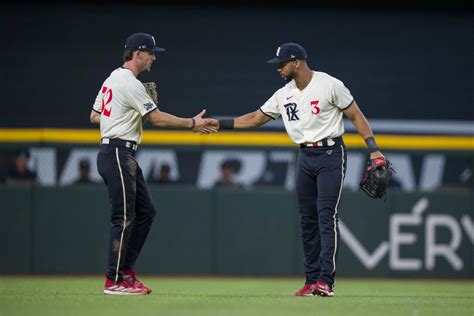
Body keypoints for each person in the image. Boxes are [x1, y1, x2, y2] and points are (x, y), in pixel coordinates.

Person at [210, 43, 386, 297]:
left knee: (326, 215)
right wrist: (219, 123)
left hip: (330, 154)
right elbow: (254, 118)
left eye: (282, 64)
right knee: (307, 220)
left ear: (297, 62)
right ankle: (311, 279)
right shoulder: (284, 94)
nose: (278, 68)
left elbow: (356, 115)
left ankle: (326, 280)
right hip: (305, 155)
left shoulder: (329, 84)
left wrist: (374, 149)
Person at [89, 32, 216, 295]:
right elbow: (157, 119)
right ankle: (114, 280)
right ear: (137, 54)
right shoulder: (129, 82)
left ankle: (126, 272)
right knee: (123, 217)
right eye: (151, 53)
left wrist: (129, 111)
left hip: (121, 153)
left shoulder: (112, 78)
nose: (154, 57)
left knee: (146, 212)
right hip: (116, 152)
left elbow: (95, 116)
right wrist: (192, 123)